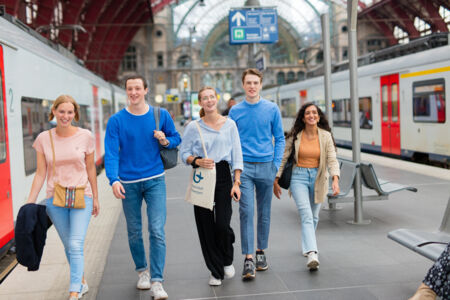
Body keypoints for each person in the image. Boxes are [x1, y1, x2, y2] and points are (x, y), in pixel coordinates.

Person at [104, 75, 181, 300]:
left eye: (138, 88)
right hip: (128, 183)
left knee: (157, 230)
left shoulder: (160, 115)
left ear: (146, 90)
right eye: (130, 89)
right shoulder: (116, 121)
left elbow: (177, 138)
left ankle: (157, 281)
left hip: (155, 179)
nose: (134, 92)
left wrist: (165, 140)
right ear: (126, 91)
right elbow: (110, 152)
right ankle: (142, 271)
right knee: (134, 231)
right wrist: (113, 179)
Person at [26, 95, 99, 300]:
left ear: (75, 114)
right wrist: (30, 202)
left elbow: (91, 169)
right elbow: (41, 173)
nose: (65, 116)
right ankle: (82, 281)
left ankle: (74, 292)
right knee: (69, 245)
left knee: (75, 244)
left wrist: (96, 197)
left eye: (70, 112)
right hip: (55, 199)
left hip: (82, 195)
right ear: (54, 112)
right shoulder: (43, 139)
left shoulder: (85, 136)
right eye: (62, 111)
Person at [180, 86, 243, 286]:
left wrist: (237, 182)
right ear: (200, 103)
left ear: (216, 99)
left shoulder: (230, 124)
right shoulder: (193, 127)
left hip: (224, 174)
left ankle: (226, 257)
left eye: (211, 97)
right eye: (204, 98)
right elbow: (184, 154)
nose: (209, 101)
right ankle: (215, 271)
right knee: (205, 225)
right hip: (202, 174)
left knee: (223, 224)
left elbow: (237, 155)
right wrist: (196, 161)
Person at [228, 68, 285, 280]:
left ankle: (261, 251)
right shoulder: (235, 111)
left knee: (264, 212)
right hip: (244, 169)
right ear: (243, 85)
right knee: (246, 211)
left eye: (255, 83)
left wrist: (275, 165)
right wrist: (235, 170)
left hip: (266, 167)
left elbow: (279, 138)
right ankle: (248, 258)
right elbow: (231, 142)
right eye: (248, 83)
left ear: (261, 85)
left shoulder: (272, 109)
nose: (252, 86)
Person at [273, 102, 340, 270]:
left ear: (318, 117)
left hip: (318, 177)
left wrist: (335, 179)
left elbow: (332, 158)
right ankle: (312, 252)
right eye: (308, 113)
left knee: (314, 216)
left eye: (314, 113)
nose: (312, 115)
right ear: (303, 118)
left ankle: (306, 246)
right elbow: (283, 158)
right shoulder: (295, 136)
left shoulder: (325, 136)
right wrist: (276, 179)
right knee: (306, 215)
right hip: (298, 177)